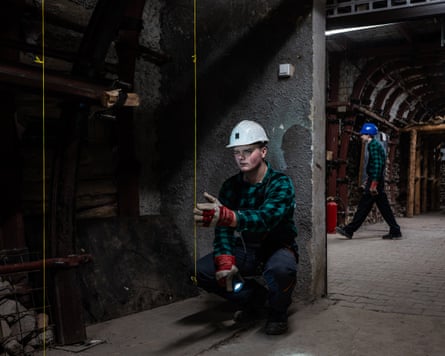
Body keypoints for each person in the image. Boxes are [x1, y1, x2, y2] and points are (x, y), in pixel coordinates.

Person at [193, 120, 299, 335]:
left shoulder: (280, 183)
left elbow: (266, 218)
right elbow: (223, 229)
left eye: (248, 151)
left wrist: (228, 215)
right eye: (236, 152)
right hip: (247, 247)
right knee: (202, 272)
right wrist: (225, 259)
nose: (241, 157)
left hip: (278, 246)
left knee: (282, 270)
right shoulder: (231, 186)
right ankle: (255, 300)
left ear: (263, 151)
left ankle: (278, 312)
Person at [336, 122, 402, 240]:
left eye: (363, 134)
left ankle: (349, 230)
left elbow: (377, 165)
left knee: (364, 206)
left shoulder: (373, 145)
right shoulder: (376, 145)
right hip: (376, 179)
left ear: (368, 135)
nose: (361, 136)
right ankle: (395, 230)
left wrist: (373, 183)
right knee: (383, 207)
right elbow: (378, 165)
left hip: (375, 180)